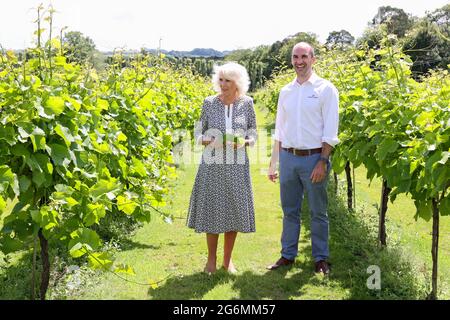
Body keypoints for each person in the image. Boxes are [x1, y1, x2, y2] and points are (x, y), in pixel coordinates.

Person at [266, 42, 339, 275]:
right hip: (288, 157)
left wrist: (323, 161)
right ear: (291, 60)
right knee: (290, 210)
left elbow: (330, 131)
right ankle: (287, 255)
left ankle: (320, 258)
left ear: (313, 59)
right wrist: (273, 162)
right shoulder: (285, 91)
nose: (299, 61)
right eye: (295, 57)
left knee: (318, 211)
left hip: (313, 158)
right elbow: (280, 129)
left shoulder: (326, 89)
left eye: (304, 56)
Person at [187, 62, 257, 274]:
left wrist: (244, 142)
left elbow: (253, 133)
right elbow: (198, 134)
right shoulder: (209, 103)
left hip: (237, 166)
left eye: (229, 80)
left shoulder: (247, 103)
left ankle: (228, 261)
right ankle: (211, 260)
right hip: (212, 165)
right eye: (221, 79)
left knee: (233, 211)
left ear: (238, 83)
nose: (223, 84)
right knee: (212, 210)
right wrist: (209, 140)